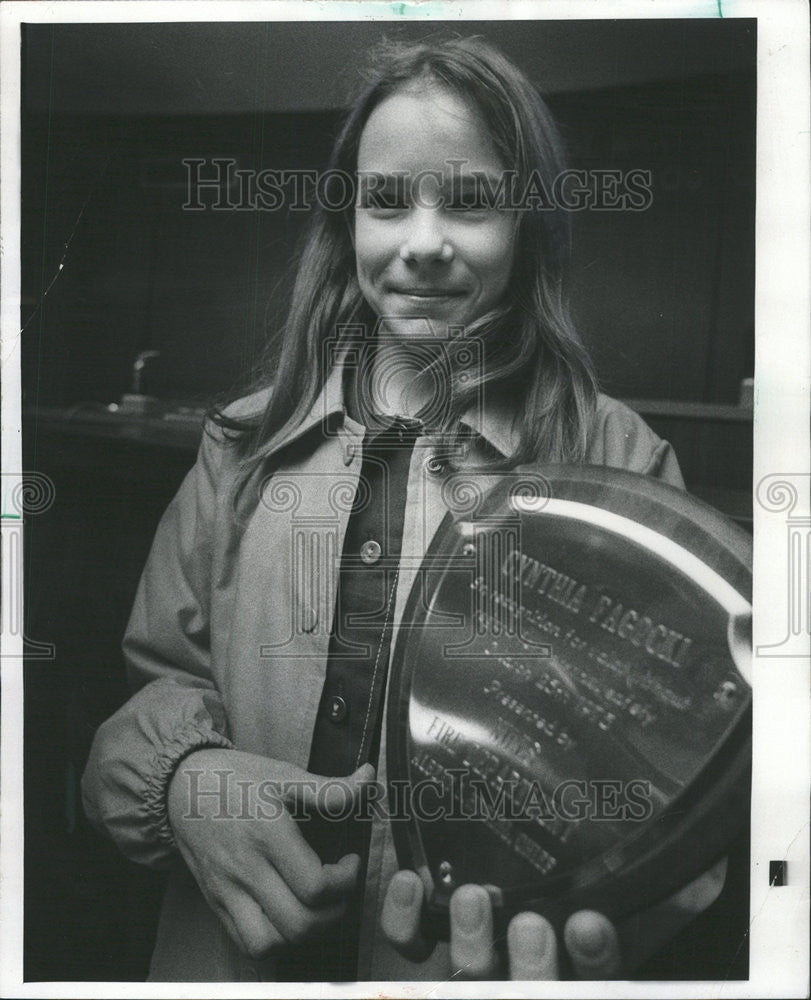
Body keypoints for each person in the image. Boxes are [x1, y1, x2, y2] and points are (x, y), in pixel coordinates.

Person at [81, 35, 733, 982]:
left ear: (528, 223)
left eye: (469, 201)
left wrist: (590, 922)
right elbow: (157, 683)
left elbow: (686, 777)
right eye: (386, 200)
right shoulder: (242, 445)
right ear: (345, 221)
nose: (422, 243)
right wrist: (181, 777)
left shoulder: (618, 464)